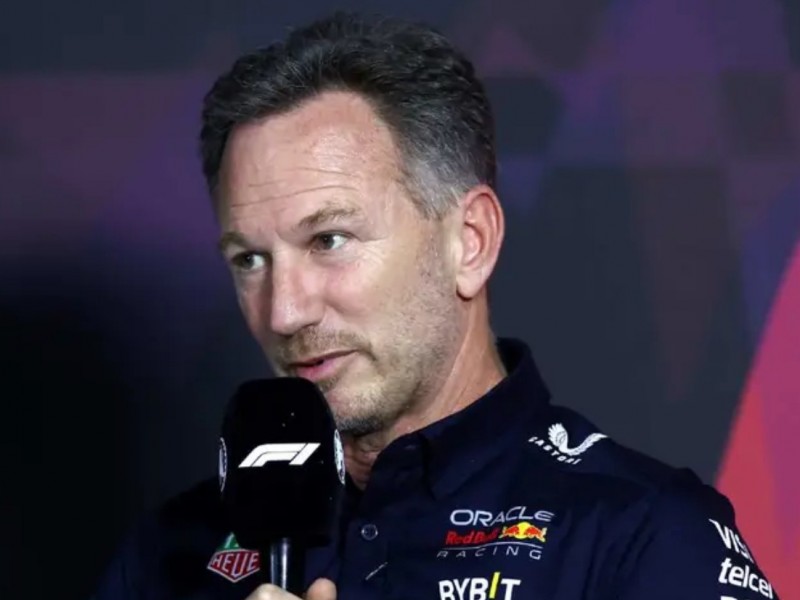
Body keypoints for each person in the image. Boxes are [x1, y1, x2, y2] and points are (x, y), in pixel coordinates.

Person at [93, 11, 780, 600]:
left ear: (469, 242)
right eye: (250, 260)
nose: (284, 313)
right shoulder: (169, 552)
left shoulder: (641, 535)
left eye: (329, 240)